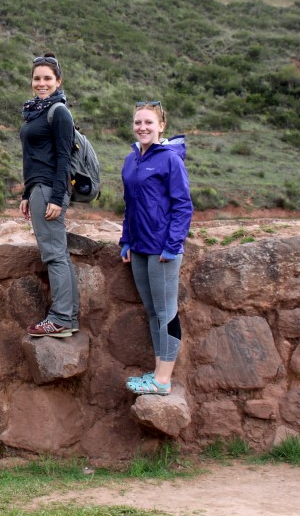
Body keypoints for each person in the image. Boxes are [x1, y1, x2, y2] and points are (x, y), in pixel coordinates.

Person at [120, 100, 193, 395]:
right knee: (153, 312)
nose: (143, 127)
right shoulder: (132, 159)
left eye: (149, 122)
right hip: (139, 246)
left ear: (161, 126)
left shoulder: (171, 159)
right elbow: (130, 204)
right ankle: (158, 372)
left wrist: (172, 245)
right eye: (138, 122)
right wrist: (126, 240)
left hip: (162, 248)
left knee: (166, 312)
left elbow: (183, 205)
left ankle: (163, 380)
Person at [19, 53, 80, 338]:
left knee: (54, 255)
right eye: (37, 78)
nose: (41, 83)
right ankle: (70, 317)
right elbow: (33, 157)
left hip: (49, 190)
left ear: (58, 81)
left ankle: (60, 318)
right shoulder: (35, 111)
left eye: (47, 78)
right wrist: (26, 192)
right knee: (59, 255)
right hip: (38, 188)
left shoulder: (59, 112)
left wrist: (56, 197)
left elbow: (63, 157)